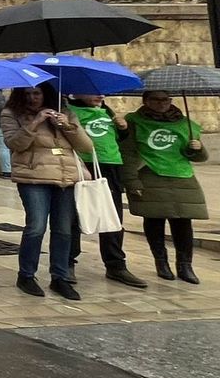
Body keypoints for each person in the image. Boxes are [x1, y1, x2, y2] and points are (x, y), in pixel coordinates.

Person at [1, 85, 91, 299]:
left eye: (37, 94)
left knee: (63, 229)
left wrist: (67, 126)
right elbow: (14, 143)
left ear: (47, 94)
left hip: (65, 177)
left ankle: (60, 277)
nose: (33, 98)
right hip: (33, 177)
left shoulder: (65, 111)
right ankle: (26, 275)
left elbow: (86, 146)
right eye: (28, 94)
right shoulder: (11, 113)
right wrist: (35, 122)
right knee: (36, 227)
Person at [123, 90, 207, 284]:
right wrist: (131, 180)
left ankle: (185, 265)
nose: (162, 103)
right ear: (146, 101)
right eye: (156, 99)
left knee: (183, 221)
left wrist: (197, 149)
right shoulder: (135, 122)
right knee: (154, 220)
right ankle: (161, 262)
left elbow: (199, 157)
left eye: (166, 99)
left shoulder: (185, 124)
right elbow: (128, 153)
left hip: (182, 177)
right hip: (150, 175)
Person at [65, 94, 148, 288]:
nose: (99, 96)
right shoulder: (71, 112)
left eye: (101, 93)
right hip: (84, 165)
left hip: (112, 165)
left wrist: (123, 128)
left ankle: (116, 264)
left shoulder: (107, 111)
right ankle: (68, 261)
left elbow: (116, 139)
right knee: (75, 216)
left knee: (113, 217)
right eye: (92, 92)